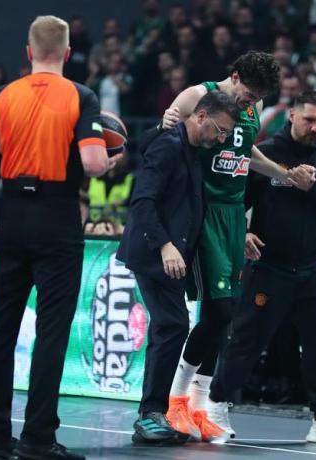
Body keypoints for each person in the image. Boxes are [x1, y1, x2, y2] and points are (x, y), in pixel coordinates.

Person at [0, 16, 117, 460]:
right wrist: (111, 156)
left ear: (29, 52)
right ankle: (37, 438)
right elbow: (93, 164)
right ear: (67, 54)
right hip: (57, 217)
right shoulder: (81, 96)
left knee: (0, 330)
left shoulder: (0, 96)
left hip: (11, 216)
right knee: (51, 331)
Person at [158, 51, 315, 440]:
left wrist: (283, 174)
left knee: (224, 317)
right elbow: (166, 148)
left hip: (234, 214)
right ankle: (175, 400)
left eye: (258, 97)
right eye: (248, 93)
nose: (251, 101)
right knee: (218, 311)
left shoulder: (253, 105)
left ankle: (199, 406)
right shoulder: (197, 95)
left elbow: (245, 153)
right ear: (233, 77)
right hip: (204, 210)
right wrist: (165, 122)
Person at [208, 91, 316, 443]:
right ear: (292, 115)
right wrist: (242, 232)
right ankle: (215, 407)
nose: (315, 127)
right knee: (246, 341)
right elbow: (234, 198)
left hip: (312, 266)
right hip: (268, 265)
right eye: (309, 120)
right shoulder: (266, 152)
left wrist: (312, 187)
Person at [117, 91, 239, 444]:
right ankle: (151, 413)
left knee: (171, 325)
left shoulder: (192, 148)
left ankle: (156, 412)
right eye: (219, 130)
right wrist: (165, 244)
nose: (221, 139)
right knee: (171, 325)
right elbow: (143, 201)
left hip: (175, 255)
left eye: (227, 134)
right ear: (200, 116)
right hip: (155, 253)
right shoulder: (168, 146)